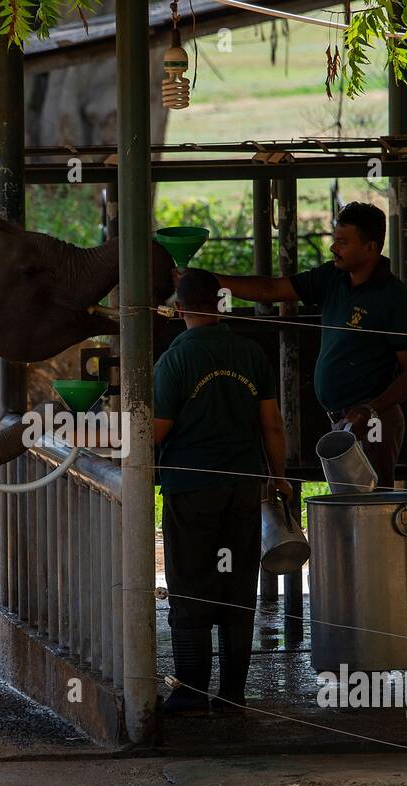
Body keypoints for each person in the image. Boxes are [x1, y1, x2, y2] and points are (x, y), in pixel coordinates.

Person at [154, 269, 294, 715]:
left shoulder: (174, 361)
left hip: (191, 489)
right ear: (221, 304)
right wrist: (278, 475)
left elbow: (157, 429)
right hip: (242, 487)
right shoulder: (250, 352)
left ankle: (191, 691)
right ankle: (233, 692)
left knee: (190, 583)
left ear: (179, 311)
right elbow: (271, 422)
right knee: (237, 587)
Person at [213, 201, 407, 488]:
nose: (333, 249)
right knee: (349, 503)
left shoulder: (395, 299)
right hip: (342, 417)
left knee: (374, 502)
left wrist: (370, 409)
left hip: (373, 422)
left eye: (343, 242)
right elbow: (270, 289)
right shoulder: (332, 278)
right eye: (334, 240)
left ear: (371, 247)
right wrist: (212, 281)